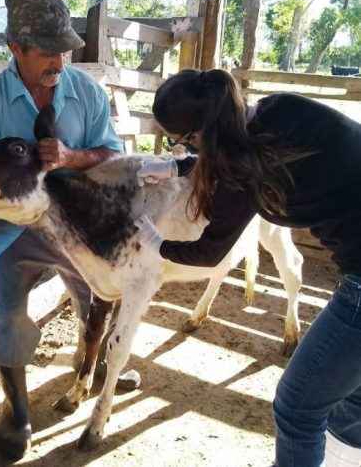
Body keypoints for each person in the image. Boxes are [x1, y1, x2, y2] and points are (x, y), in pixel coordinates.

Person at [135, 68, 361, 467]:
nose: (180, 147)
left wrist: (158, 244)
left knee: (297, 407)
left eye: (181, 141)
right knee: (351, 395)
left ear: (199, 134)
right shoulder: (279, 109)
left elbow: (209, 253)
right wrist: (179, 166)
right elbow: (233, 147)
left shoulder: (246, 172)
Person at [0, 0, 124, 461]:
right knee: (8, 313)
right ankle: (17, 409)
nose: (58, 61)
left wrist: (73, 156)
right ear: (15, 49)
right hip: (18, 232)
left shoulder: (86, 92)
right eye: (46, 52)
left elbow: (115, 157)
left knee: (102, 298)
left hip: (77, 227)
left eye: (63, 49)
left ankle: (97, 359)